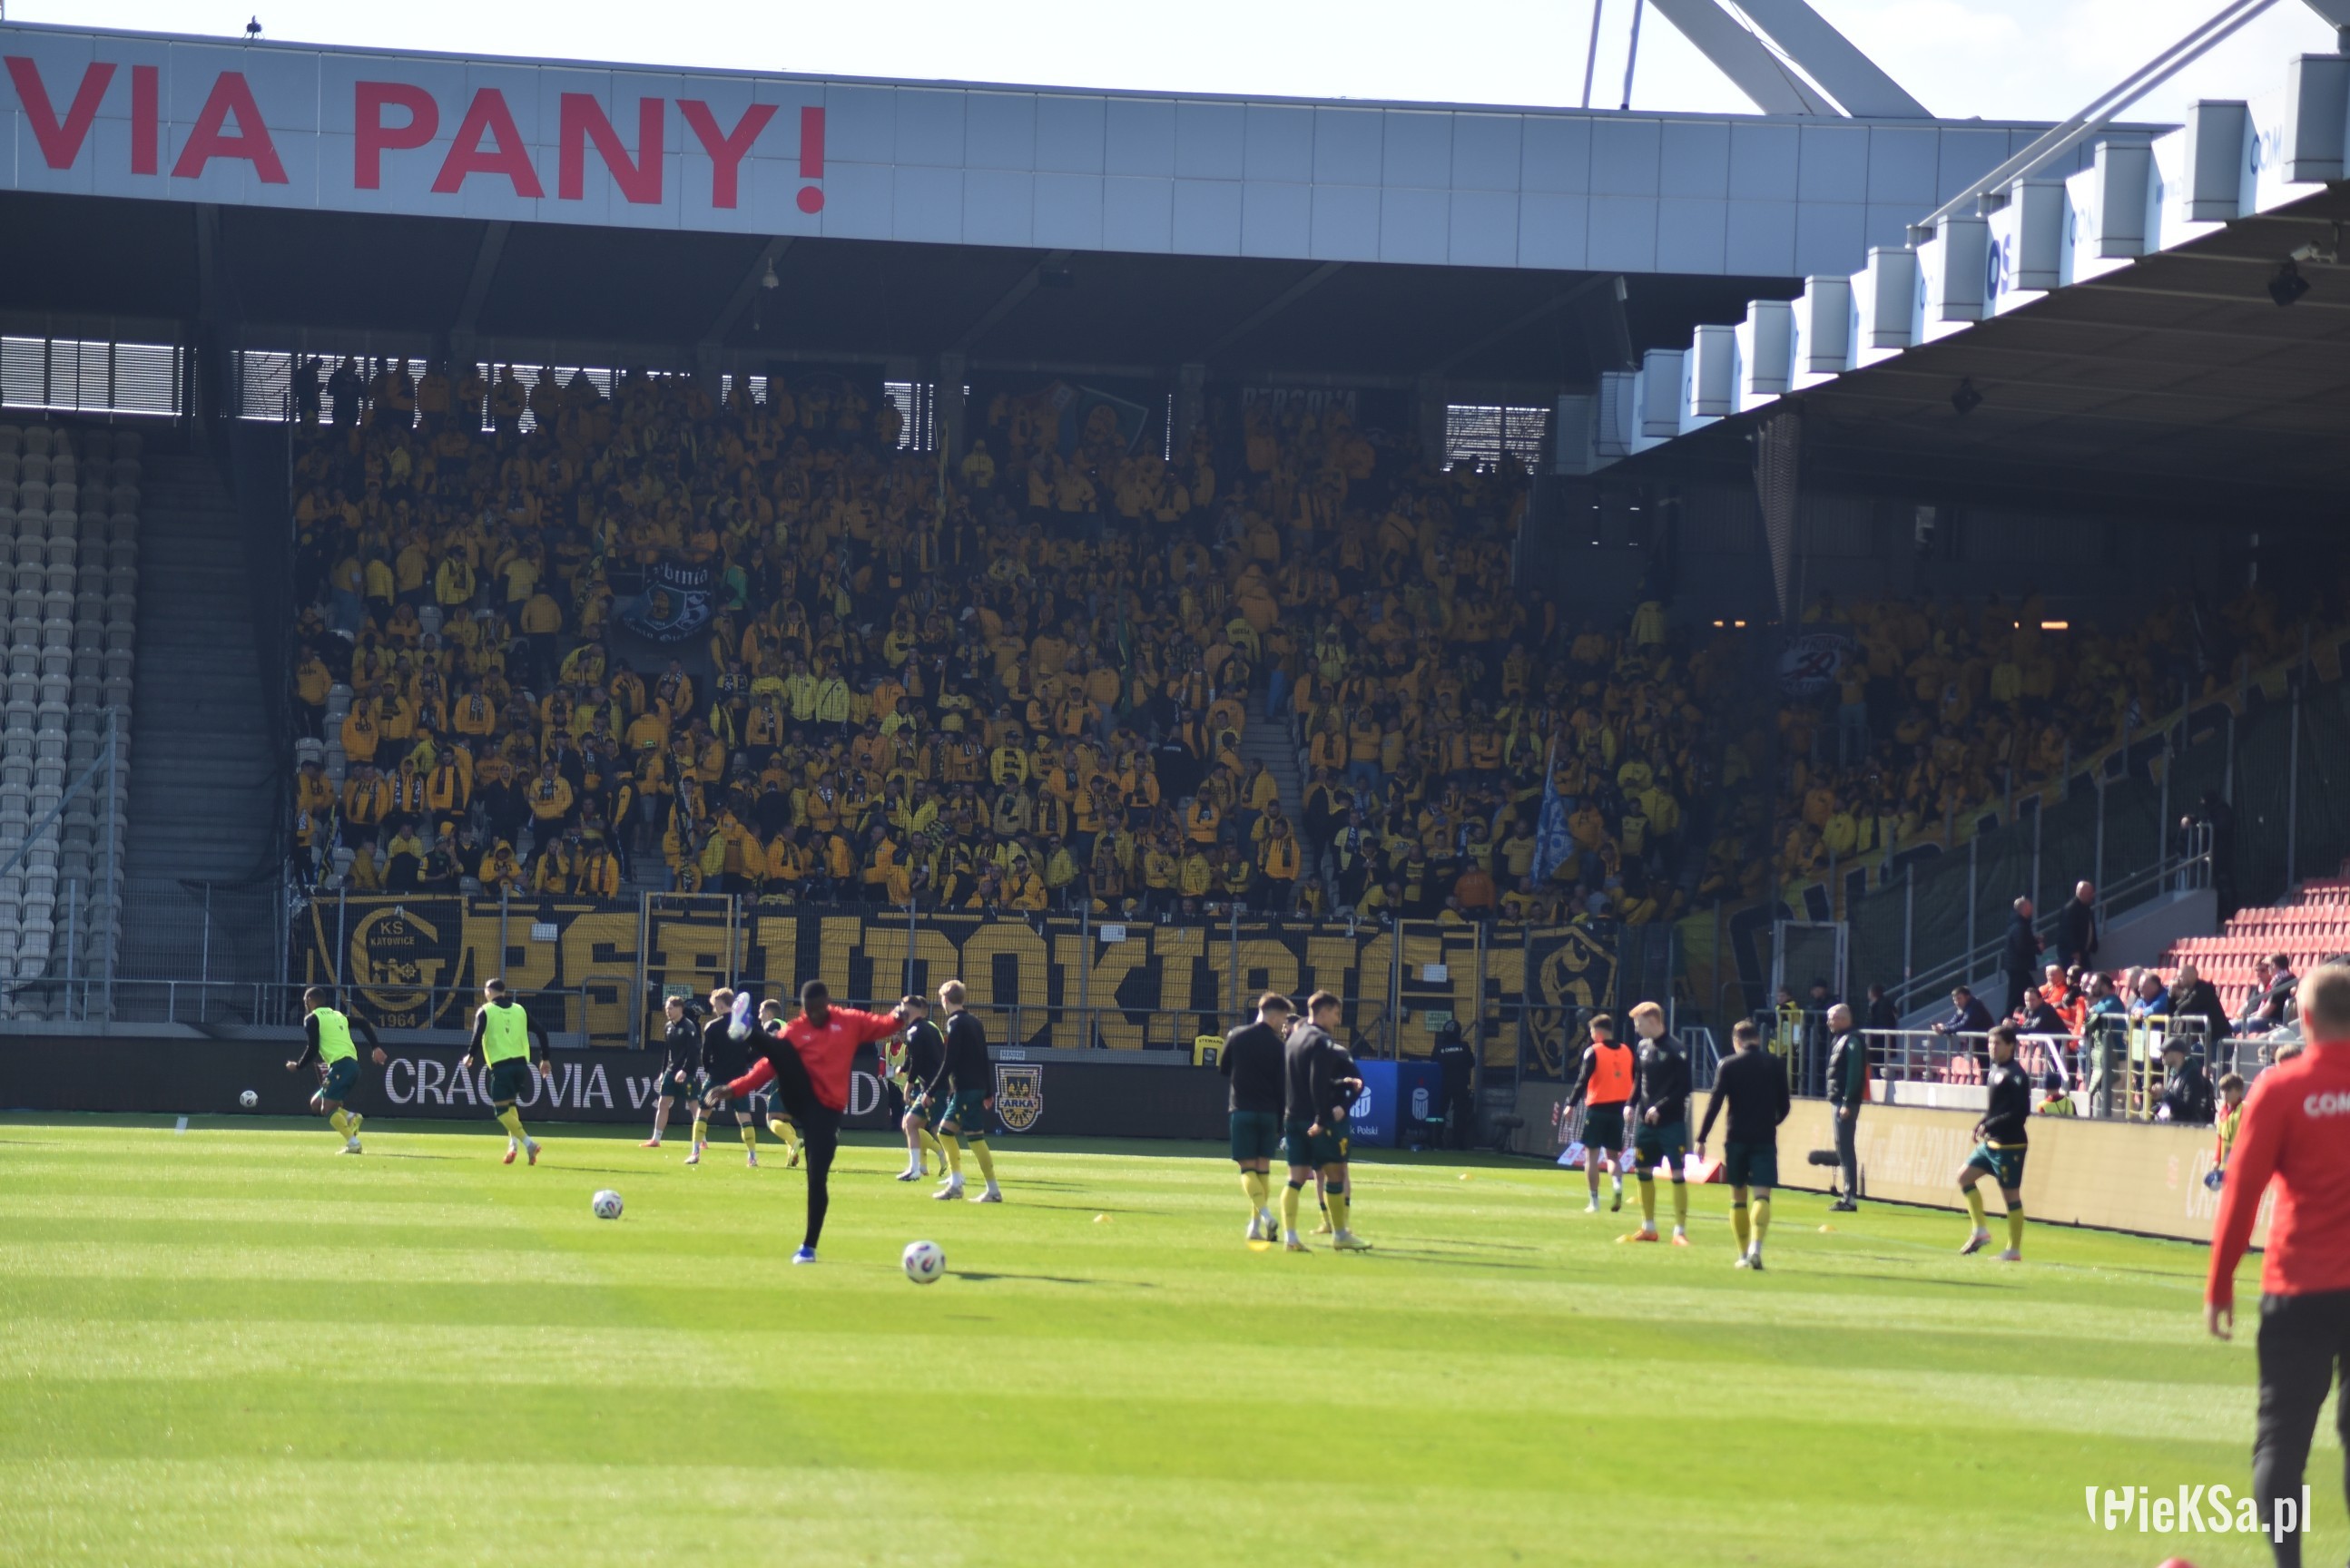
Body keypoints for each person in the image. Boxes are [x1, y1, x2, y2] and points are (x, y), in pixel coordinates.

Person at [2206, 962, 2350, 1568]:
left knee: (2281, 1441)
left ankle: (2288, 1563)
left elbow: (2241, 1195)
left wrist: (2220, 1284)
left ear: (2303, 1017)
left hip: (2298, 1287)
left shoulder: (2280, 1089)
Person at [707, 981, 910, 1264]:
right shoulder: (797, 1029)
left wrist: (899, 1015)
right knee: (783, 1051)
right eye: (809, 1010)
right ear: (803, 1008)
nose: (814, 1015)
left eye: (818, 1009)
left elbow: (883, 1025)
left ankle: (808, 1247)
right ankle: (748, 1030)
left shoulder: (848, 1021)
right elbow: (767, 1067)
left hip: (826, 1112)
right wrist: (735, 1088)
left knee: (816, 1178)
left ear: (827, 1003)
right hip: (799, 1096)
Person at [1696, 1018, 1791, 1269]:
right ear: (1758, 1039)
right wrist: (1771, 1122)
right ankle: (1756, 1248)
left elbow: (1715, 1103)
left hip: (1736, 1138)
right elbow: (1785, 1106)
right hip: (1764, 1138)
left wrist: (1701, 1138)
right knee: (1762, 1196)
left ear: (1736, 1041)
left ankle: (1742, 1254)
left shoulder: (1728, 1064)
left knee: (1738, 1197)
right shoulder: (1775, 1064)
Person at [1280, 990, 1370, 1252]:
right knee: (1336, 1173)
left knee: (1295, 1178)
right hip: (1315, 1119)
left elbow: (1297, 1080)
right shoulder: (1321, 1041)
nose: (1337, 1020)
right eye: (1335, 1013)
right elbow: (1317, 1081)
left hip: (1293, 1116)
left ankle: (1290, 1237)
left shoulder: (1293, 1039)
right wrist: (1322, 1119)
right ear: (1323, 1011)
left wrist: (1340, 1083)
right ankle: (1340, 1233)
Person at [1221, 993, 1292, 1242]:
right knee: (1263, 1171)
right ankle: (1254, 1227)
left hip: (1242, 1110)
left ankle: (1265, 1216)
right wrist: (1280, 1121)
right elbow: (1282, 1087)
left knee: (1247, 1169)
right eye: (1283, 1018)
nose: (1284, 1024)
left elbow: (1224, 1068)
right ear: (1273, 1016)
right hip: (1268, 1113)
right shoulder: (1279, 1047)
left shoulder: (1237, 1035)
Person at [457, 978, 551, 1165]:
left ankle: (529, 1143)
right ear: (504, 991)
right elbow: (541, 1032)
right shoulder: (519, 1010)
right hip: (521, 1065)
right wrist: (545, 1058)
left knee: (500, 1111)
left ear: (488, 991)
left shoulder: (485, 1010)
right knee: (510, 1106)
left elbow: (477, 1034)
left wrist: (470, 1055)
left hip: (501, 1066)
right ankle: (513, 1146)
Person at [1958, 1024, 2030, 1260]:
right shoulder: (1994, 1070)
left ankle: (2013, 1250)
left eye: (1997, 1043)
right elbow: (1995, 1108)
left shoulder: (2016, 1074)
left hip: (2010, 1145)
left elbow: (2020, 1113)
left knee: (2011, 1196)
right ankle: (1980, 1231)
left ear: (2010, 1046)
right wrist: (1981, 1123)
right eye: (1990, 1042)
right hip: (1991, 1143)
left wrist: (1989, 1124)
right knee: (1964, 1177)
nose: (1992, 1047)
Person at [285, 986, 388, 1153]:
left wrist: (298, 1066)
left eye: (305, 1001)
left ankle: (353, 1143)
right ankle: (351, 1117)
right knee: (316, 1104)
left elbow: (313, 1048)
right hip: (350, 1066)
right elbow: (363, 1023)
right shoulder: (338, 1016)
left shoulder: (312, 1018)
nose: (305, 1004)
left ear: (309, 1000)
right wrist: (375, 1047)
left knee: (327, 1109)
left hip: (342, 1066)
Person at [1625, 1000, 1692, 1246]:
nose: (1636, 1029)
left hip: (1671, 1123)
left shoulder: (1676, 1049)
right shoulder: (1642, 1047)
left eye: (1639, 1023)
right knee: (1642, 1170)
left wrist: (1659, 1107)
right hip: (1646, 1124)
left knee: (1677, 1172)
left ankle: (1680, 1231)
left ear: (1653, 1021)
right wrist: (1630, 1104)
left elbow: (1684, 1087)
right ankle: (1648, 1228)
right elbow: (1638, 1078)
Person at [933, 978, 1002, 1203]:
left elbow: (950, 1060)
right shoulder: (974, 1021)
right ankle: (963, 1185)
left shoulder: (955, 1023)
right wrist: (988, 1091)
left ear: (945, 999)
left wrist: (931, 1090)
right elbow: (984, 1057)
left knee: (965, 1136)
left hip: (966, 1089)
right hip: (976, 1087)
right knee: (952, 1134)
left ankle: (986, 1189)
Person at [1563, 1014, 1636, 1214]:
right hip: (1618, 1111)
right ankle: (1617, 1185)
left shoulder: (1594, 1051)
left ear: (1598, 1032)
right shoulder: (1627, 1051)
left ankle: (1594, 1202)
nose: (1592, 1036)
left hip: (1597, 1110)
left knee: (1592, 1157)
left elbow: (1583, 1079)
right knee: (1613, 1156)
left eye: (1592, 1032)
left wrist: (1571, 1104)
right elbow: (1635, 1077)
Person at [690, 988, 763, 1168]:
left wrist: (709, 1069)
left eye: (715, 1005)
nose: (714, 1009)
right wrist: (744, 1061)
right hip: (739, 1078)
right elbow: (758, 1049)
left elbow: (705, 1054)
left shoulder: (712, 1027)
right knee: (744, 1115)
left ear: (721, 1005)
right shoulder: (745, 1025)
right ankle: (752, 1156)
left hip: (716, 1076)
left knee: (703, 1111)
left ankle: (695, 1153)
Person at [894, 993, 949, 1181]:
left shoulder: (915, 1031)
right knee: (910, 1123)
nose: (901, 1009)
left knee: (940, 1130)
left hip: (933, 1088)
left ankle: (956, 1170)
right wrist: (904, 1068)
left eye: (904, 1005)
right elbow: (917, 1056)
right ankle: (915, 1169)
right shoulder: (929, 1028)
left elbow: (917, 1060)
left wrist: (908, 1085)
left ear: (913, 1008)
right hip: (933, 1086)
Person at [642, 994, 702, 1150]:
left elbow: (693, 1052)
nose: (667, 1011)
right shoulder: (668, 1026)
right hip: (671, 1071)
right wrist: (663, 1071)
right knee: (663, 1103)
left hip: (687, 1073)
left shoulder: (689, 1026)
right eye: (666, 1008)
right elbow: (667, 1051)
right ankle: (656, 1139)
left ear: (680, 1008)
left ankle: (702, 1139)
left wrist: (685, 1070)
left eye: (670, 1008)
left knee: (693, 1105)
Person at [1824, 1002, 1867, 1210]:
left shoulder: (1851, 1041)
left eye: (1831, 1018)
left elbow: (1854, 1073)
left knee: (1845, 1146)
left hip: (1844, 1101)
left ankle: (1849, 1198)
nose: (1828, 1022)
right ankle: (1848, 1195)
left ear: (1842, 1019)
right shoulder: (1843, 1039)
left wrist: (1847, 1101)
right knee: (1842, 1145)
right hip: (1839, 1099)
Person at [1431, 1019, 1477, 1151]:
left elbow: (1433, 1061)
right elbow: (1471, 1062)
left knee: (1439, 1112)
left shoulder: (1439, 1047)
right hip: (1460, 1084)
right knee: (1460, 1114)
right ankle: (1458, 1143)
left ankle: (1436, 1141)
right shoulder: (1464, 1047)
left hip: (1442, 1084)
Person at [2158, 1038, 2217, 1126]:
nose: (2161, 1056)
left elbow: (2189, 1110)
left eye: (2165, 1052)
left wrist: (2164, 1094)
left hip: (2188, 1131)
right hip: (2174, 1127)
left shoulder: (2193, 1077)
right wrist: (2159, 1098)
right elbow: (2173, 1103)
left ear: (2177, 1053)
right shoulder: (2174, 1075)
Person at [2000, 897, 2042, 1019]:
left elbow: (2021, 942)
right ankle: (2009, 1018)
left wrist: (2034, 941)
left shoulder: (2017, 924)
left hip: (2016, 966)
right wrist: (2037, 947)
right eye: (2030, 906)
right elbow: (2021, 947)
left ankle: (2014, 1017)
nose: (2032, 909)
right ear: (2024, 909)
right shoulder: (2020, 926)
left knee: (2017, 994)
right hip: (2018, 967)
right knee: (2019, 994)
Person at [2206, 1071, 2247, 1191]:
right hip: (2227, 1162)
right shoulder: (2223, 1111)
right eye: (2222, 1090)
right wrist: (2217, 1159)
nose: (2224, 1093)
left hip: (2241, 1162)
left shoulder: (2245, 1109)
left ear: (2239, 1091)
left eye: (2228, 1090)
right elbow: (2220, 1138)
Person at [2056, 880, 2098, 970]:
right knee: (2076, 975)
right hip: (2072, 954)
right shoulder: (2070, 909)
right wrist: (2074, 951)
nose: (2092, 896)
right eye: (2089, 894)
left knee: (2087, 974)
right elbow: (2067, 932)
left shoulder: (2085, 907)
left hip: (2083, 952)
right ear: (2081, 893)